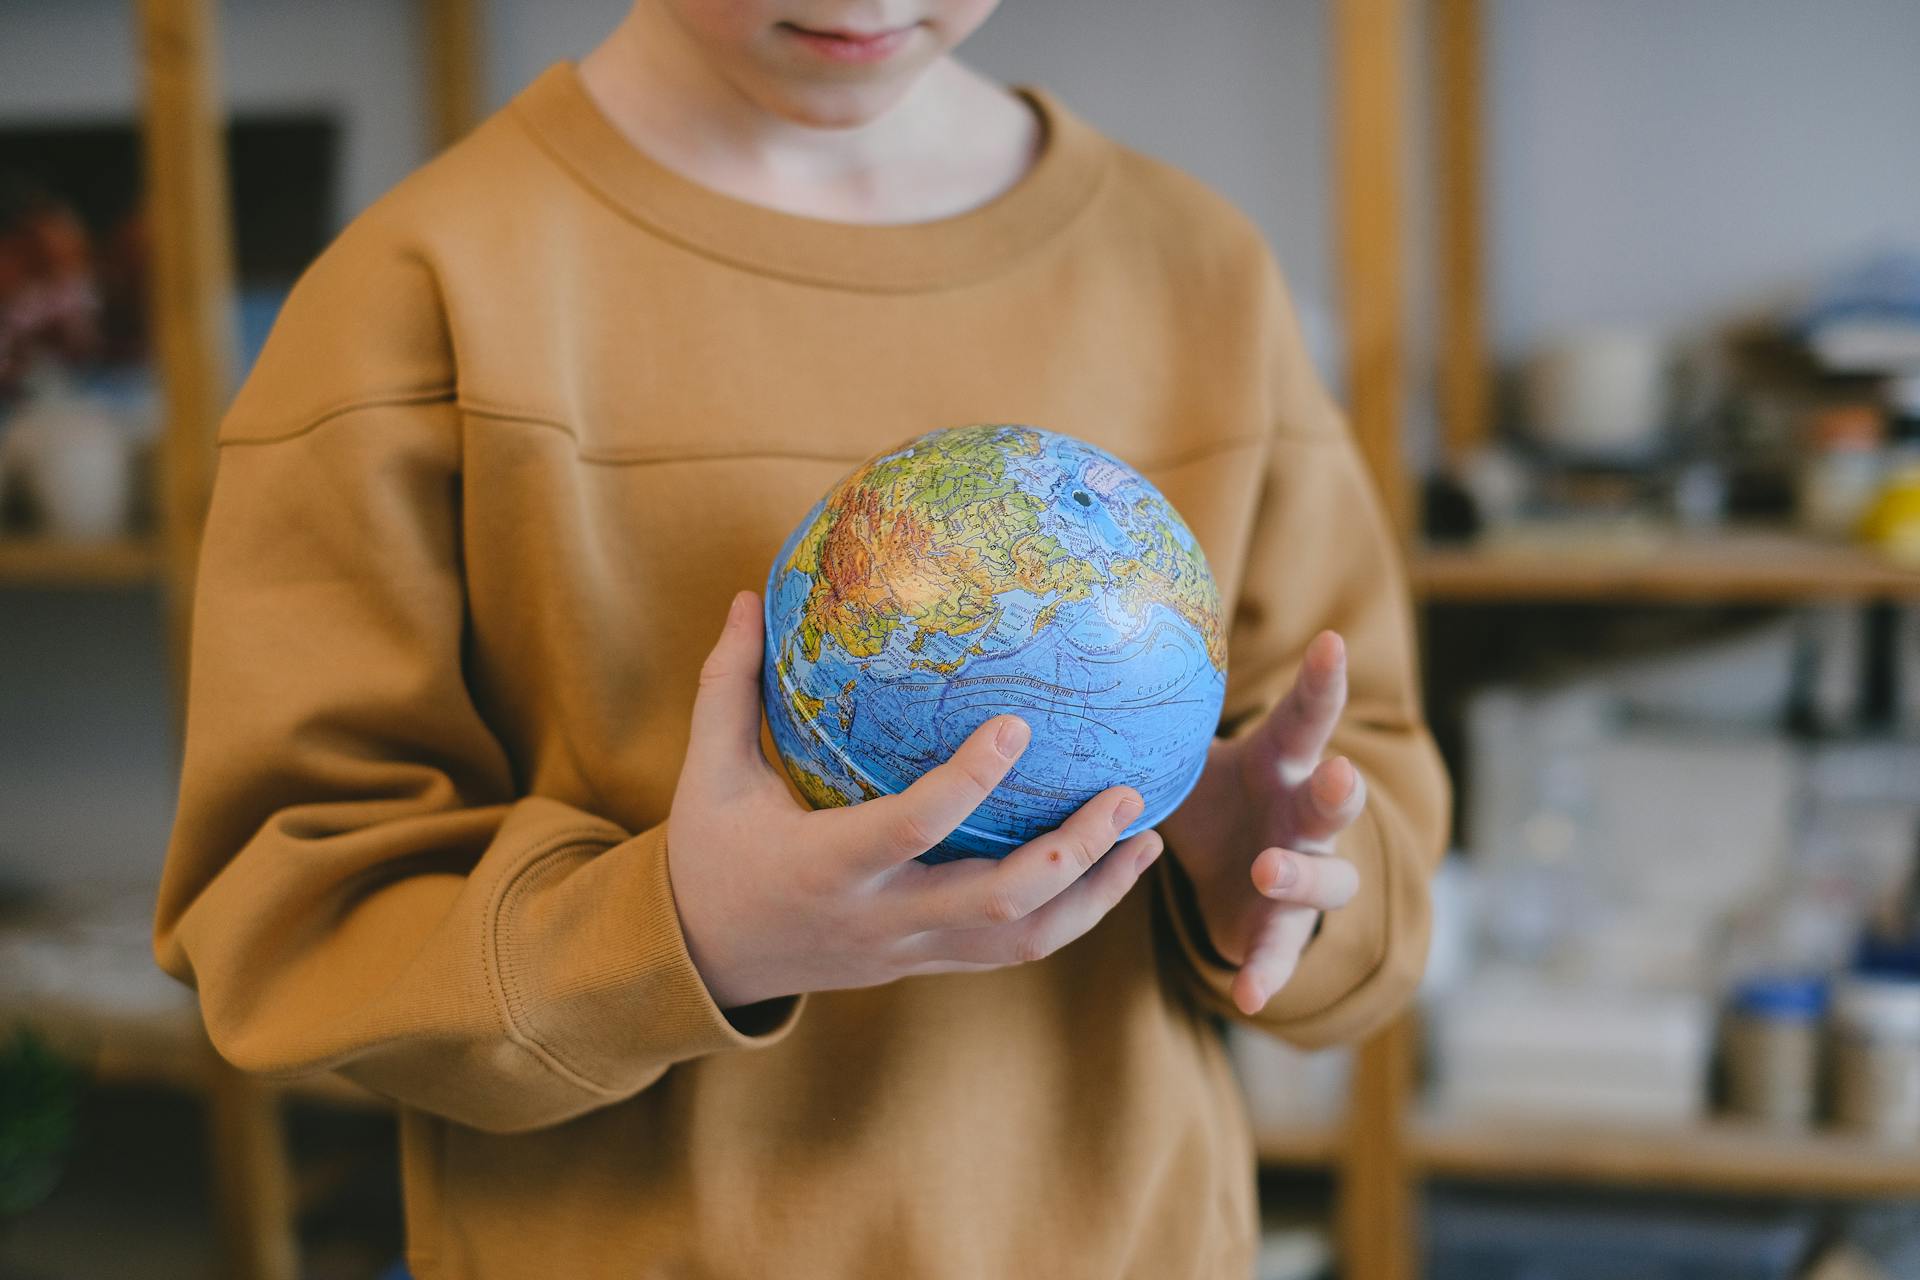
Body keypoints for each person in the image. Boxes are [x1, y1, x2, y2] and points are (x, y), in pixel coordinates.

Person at [151, 2, 1451, 1276]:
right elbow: (291, 928)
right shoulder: (419, 296)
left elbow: (1370, 816)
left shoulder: (1197, 273)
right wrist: (686, 934)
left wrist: (1270, 883)